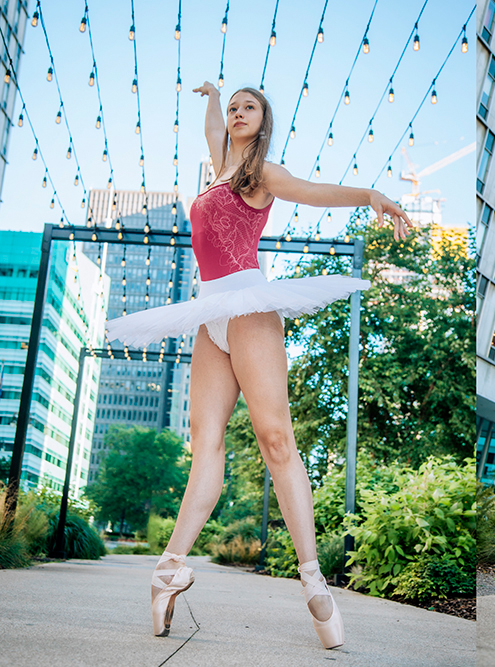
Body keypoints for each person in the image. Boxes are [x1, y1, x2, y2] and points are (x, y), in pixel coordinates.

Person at [105, 82, 414, 649]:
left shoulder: (262, 173)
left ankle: (314, 580)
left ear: (263, 121)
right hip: (209, 313)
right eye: (233, 109)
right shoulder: (219, 167)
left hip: (247, 304)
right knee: (207, 447)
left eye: (249, 107)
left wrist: (371, 195)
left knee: (276, 439)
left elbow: (313, 191)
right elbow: (210, 129)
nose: (237, 114)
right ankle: (167, 570)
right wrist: (214, 94)